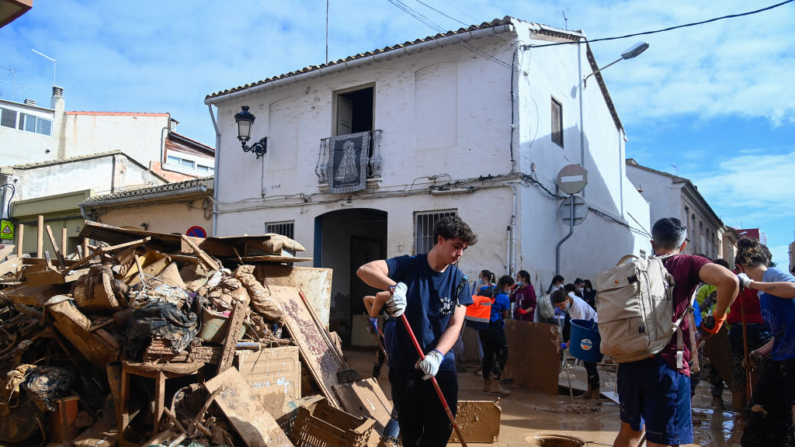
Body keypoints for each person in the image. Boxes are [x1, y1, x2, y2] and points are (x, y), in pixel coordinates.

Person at [613, 217, 739, 447]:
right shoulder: (687, 263)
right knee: (661, 441)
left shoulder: (634, 267)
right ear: (683, 245)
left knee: (629, 434)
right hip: (667, 365)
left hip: (629, 362)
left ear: (652, 243)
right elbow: (729, 280)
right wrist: (717, 320)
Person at [356, 215, 477, 447]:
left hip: (441, 364)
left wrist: (438, 355)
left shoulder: (459, 280)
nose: (460, 254)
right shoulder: (408, 265)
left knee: (441, 427)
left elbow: (455, 324)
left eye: (464, 249)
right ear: (440, 239)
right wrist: (393, 287)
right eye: (457, 246)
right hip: (404, 364)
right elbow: (365, 270)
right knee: (410, 429)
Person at [734, 237, 795, 447]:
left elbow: (794, 288)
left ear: (740, 268)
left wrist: (750, 283)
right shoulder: (763, 293)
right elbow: (780, 334)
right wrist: (759, 351)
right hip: (782, 357)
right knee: (759, 412)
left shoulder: (772, 276)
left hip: (793, 359)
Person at [553, 287, 601, 399]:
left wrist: (568, 344)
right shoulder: (570, 297)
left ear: (567, 299)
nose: (561, 308)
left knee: (591, 362)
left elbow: (579, 330)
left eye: (561, 305)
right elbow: (571, 292)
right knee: (587, 363)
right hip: (588, 327)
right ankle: (590, 392)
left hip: (593, 330)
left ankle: (595, 396)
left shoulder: (578, 308)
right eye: (558, 306)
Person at [480, 275, 513, 396]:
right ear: (506, 285)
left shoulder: (487, 291)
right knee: (502, 353)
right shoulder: (503, 297)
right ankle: (495, 384)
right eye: (510, 286)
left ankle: (486, 384)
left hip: (482, 326)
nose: (510, 289)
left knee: (488, 354)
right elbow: (505, 315)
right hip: (495, 327)